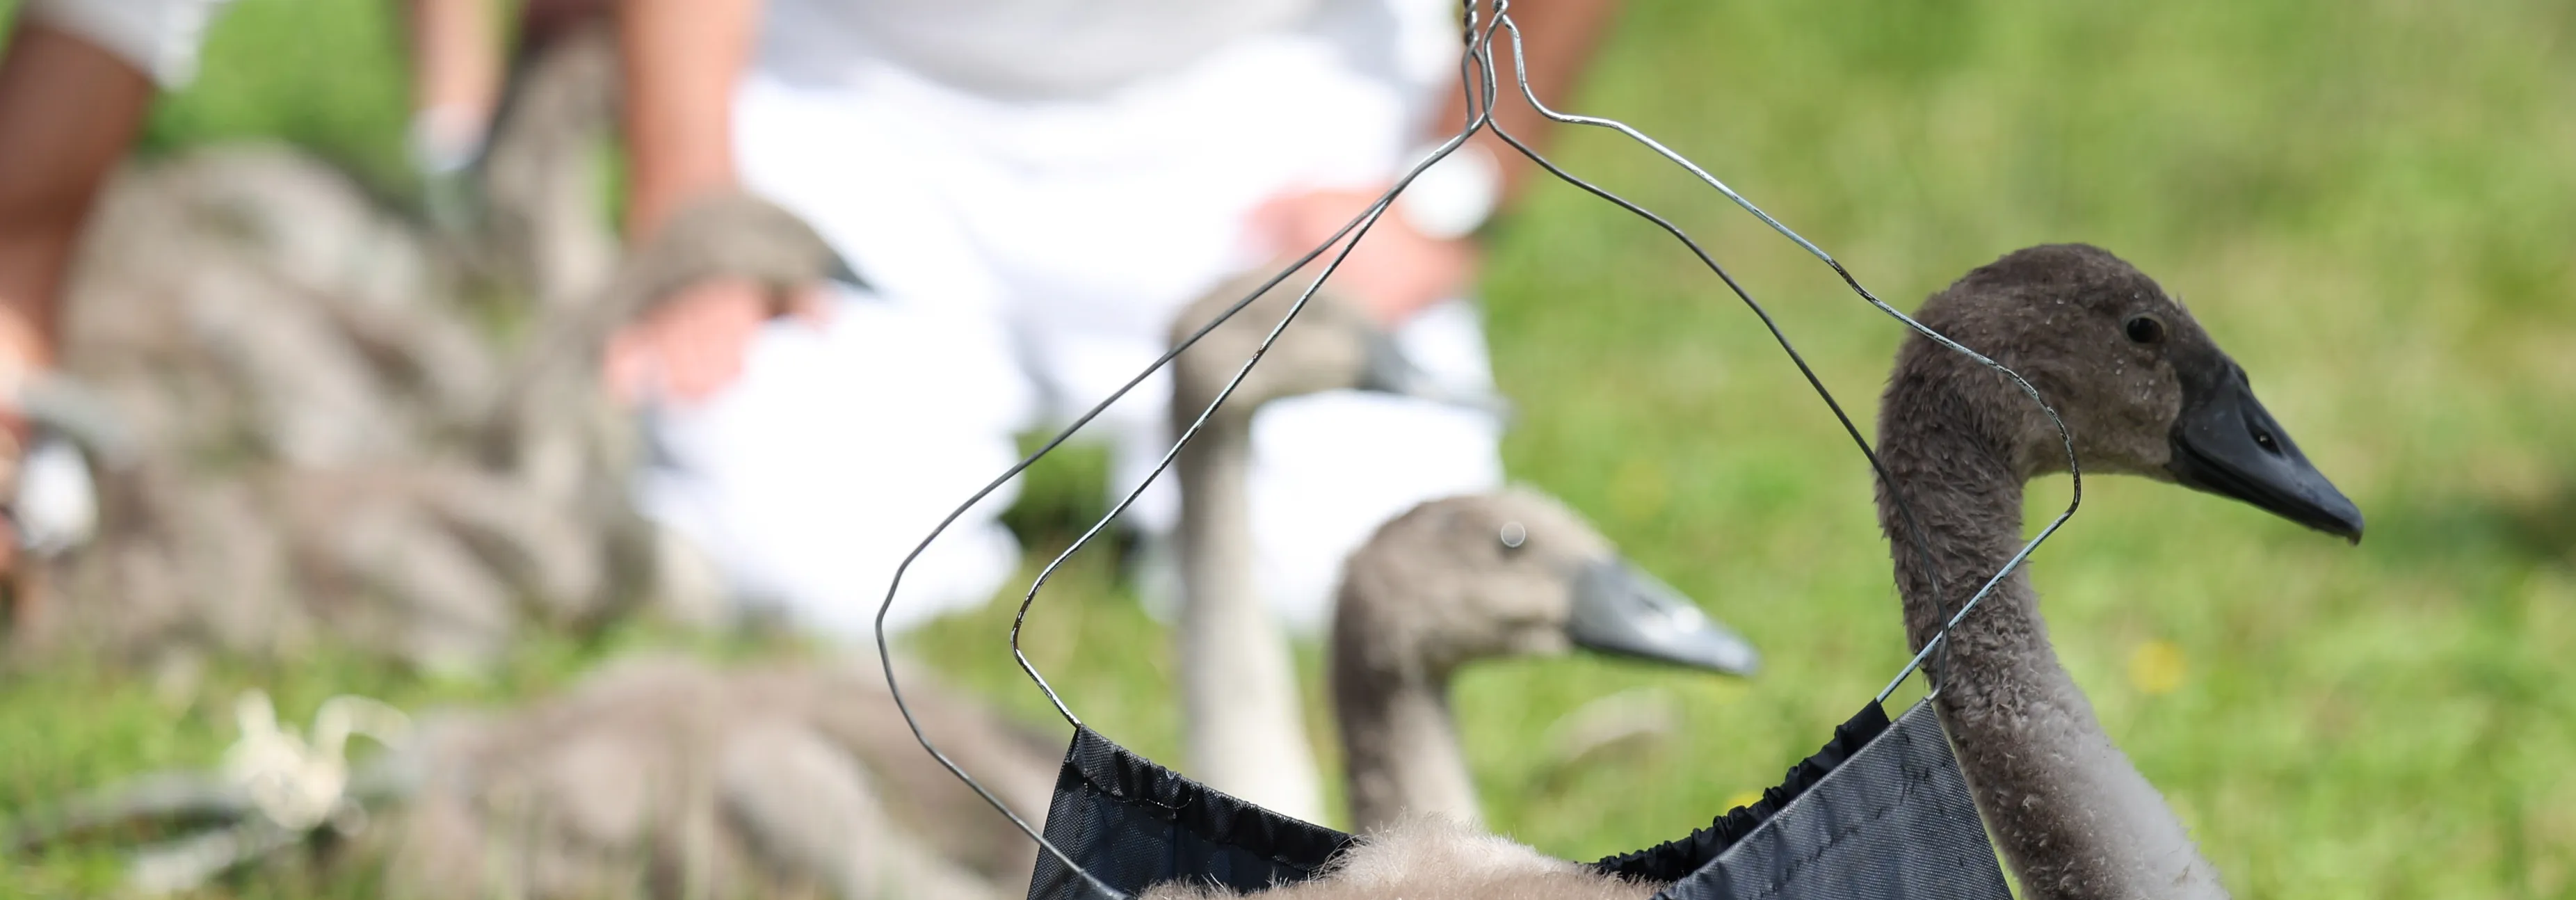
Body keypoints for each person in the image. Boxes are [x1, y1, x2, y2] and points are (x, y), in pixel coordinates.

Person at [0, 0, 1622, 642]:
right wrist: (698, 196)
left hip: (1271, 125)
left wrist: (1459, 180)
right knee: (816, 563)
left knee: (1346, 576)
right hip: (860, 118)